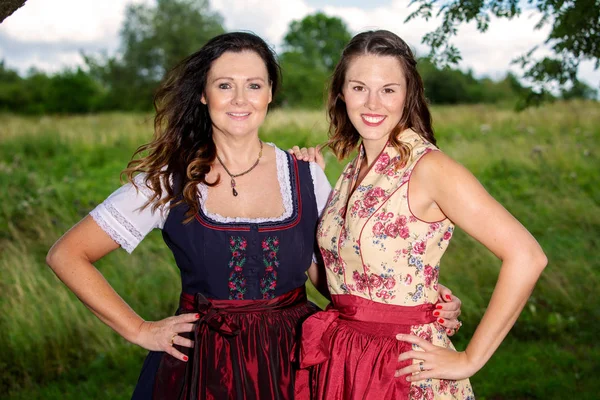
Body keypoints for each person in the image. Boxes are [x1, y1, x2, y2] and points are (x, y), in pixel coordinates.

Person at [45, 32, 462, 400]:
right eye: (225, 85)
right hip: (201, 368)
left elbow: (336, 274)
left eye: (254, 85)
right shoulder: (166, 182)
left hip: (295, 365)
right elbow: (68, 254)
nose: (240, 99)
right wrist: (138, 330)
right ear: (204, 94)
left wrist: (420, 303)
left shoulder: (305, 175)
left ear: (269, 95)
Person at [293, 30, 547, 399]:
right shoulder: (353, 168)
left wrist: (469, 358)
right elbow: (341, 283)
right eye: (359, 87)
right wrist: (305, 193)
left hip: (407, 368)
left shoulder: (430, 169)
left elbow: (527, 256)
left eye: (388, 89)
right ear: (340, 93)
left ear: (407, 94)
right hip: (348, 360)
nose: (372, 103)